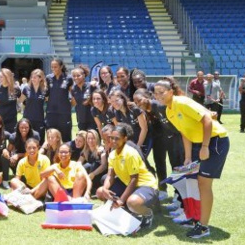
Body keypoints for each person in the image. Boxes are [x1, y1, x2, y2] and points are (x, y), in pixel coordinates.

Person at [154, 79, 230, 239]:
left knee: (204, 183)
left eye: (161, 92)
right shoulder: (169, 111)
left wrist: (204, 147)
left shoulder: (182, 102)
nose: (158, 96)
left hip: (215, 141)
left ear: (171, 92)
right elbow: (185, 132)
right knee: (192, 181)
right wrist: (188, 157)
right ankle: (195, 218)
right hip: (197, 144)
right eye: (155, 93)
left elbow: (207, 120)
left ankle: (203, 227)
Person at [96, 124, 158, 230]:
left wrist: (121, 200)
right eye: (111, 138)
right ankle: (126, 211)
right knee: (100, 192)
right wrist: (106, 189)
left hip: (146, 185)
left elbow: (134, 179)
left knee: (132, 202)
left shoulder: (130, 153)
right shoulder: (112, 154)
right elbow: (110, 175)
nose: (113, 141)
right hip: (128, 184)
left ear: (125, 139)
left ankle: (147, 213)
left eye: (117, 138)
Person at [134, 88, 184, 200]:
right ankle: (162, 189)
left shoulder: (159, 106)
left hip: (173, 138)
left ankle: (178, 194)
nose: (138, 104)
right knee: (159, 164)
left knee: (176, 165)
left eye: (140, 100)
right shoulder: (145, 110)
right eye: (136, 102)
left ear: (147, 97)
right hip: (158, 139)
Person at [110, 90, 149, 155]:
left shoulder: (134, 109)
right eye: (112, 102)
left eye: (117, 100)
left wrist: (138, 147)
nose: (115, 103)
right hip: (131, 141)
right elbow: (121, 132)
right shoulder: (116, 113)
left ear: (122, 99)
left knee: (141, 161)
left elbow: (144, 129)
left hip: (144, 139)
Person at [45, 59, 74, 142]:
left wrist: (67, 106)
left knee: (65, 137)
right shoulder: (48, 78)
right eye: (52, 67)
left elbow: (73, 96)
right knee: (51, 137)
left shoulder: (68, 78)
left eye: (55, 67)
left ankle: (66, 154)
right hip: (51, 113)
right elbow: (46, 95)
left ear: (61, 67)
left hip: (64, 114)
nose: (53, 69)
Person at [0, 68, 22, 133]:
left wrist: (20, 108)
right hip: (0, 120)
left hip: (12, 120)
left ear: (7, 77)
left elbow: (22, 100)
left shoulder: (16, 89)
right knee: (1, 142)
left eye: (1, 77)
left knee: (13, 140)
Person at [21, 68, 47, 143]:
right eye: (31, 77)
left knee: (39, 139)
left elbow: (48, 101)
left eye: (35, 77)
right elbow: (20, 101)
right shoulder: (26, 88)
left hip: (40, 119)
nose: (32, 79)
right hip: (28, 118)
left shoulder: (44, 90)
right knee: (27, 139)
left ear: (40, 78)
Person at [70, 65, 96, 132]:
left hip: (93, 120)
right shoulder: (73, 89)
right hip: (81, 120)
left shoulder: (91, 86)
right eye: (74, 76)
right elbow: (74, 103)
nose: (76, 78)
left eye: (78, 75)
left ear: (84, 75)